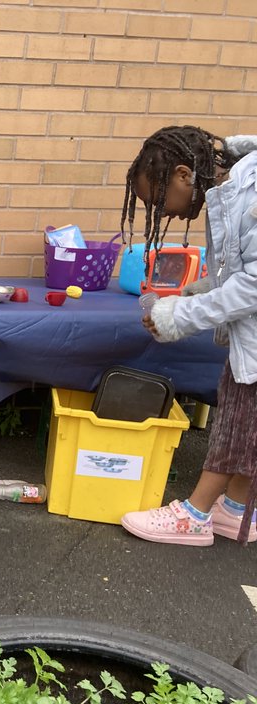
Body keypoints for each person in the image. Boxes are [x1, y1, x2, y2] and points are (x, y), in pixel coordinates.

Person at [118, 126, 257, 547]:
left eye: (157, 201)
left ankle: (195, 516)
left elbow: (253, 282)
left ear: (182, 174)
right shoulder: (231, 190)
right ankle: (233, 511)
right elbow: (240, 271)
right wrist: (194, 294)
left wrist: (183, 315)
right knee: (243, 417)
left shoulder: (249, 194)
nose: (161, 214)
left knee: (238, 425)